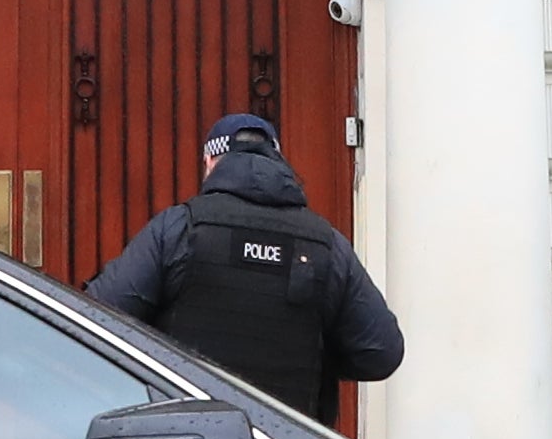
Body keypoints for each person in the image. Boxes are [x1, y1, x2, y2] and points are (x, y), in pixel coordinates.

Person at [87, 112, 405, 419]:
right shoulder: (327, 245)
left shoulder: (179, 229)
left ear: (209, 162)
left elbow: (100, 318)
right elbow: (381, 353)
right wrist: (310, 350)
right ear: (277, 161)